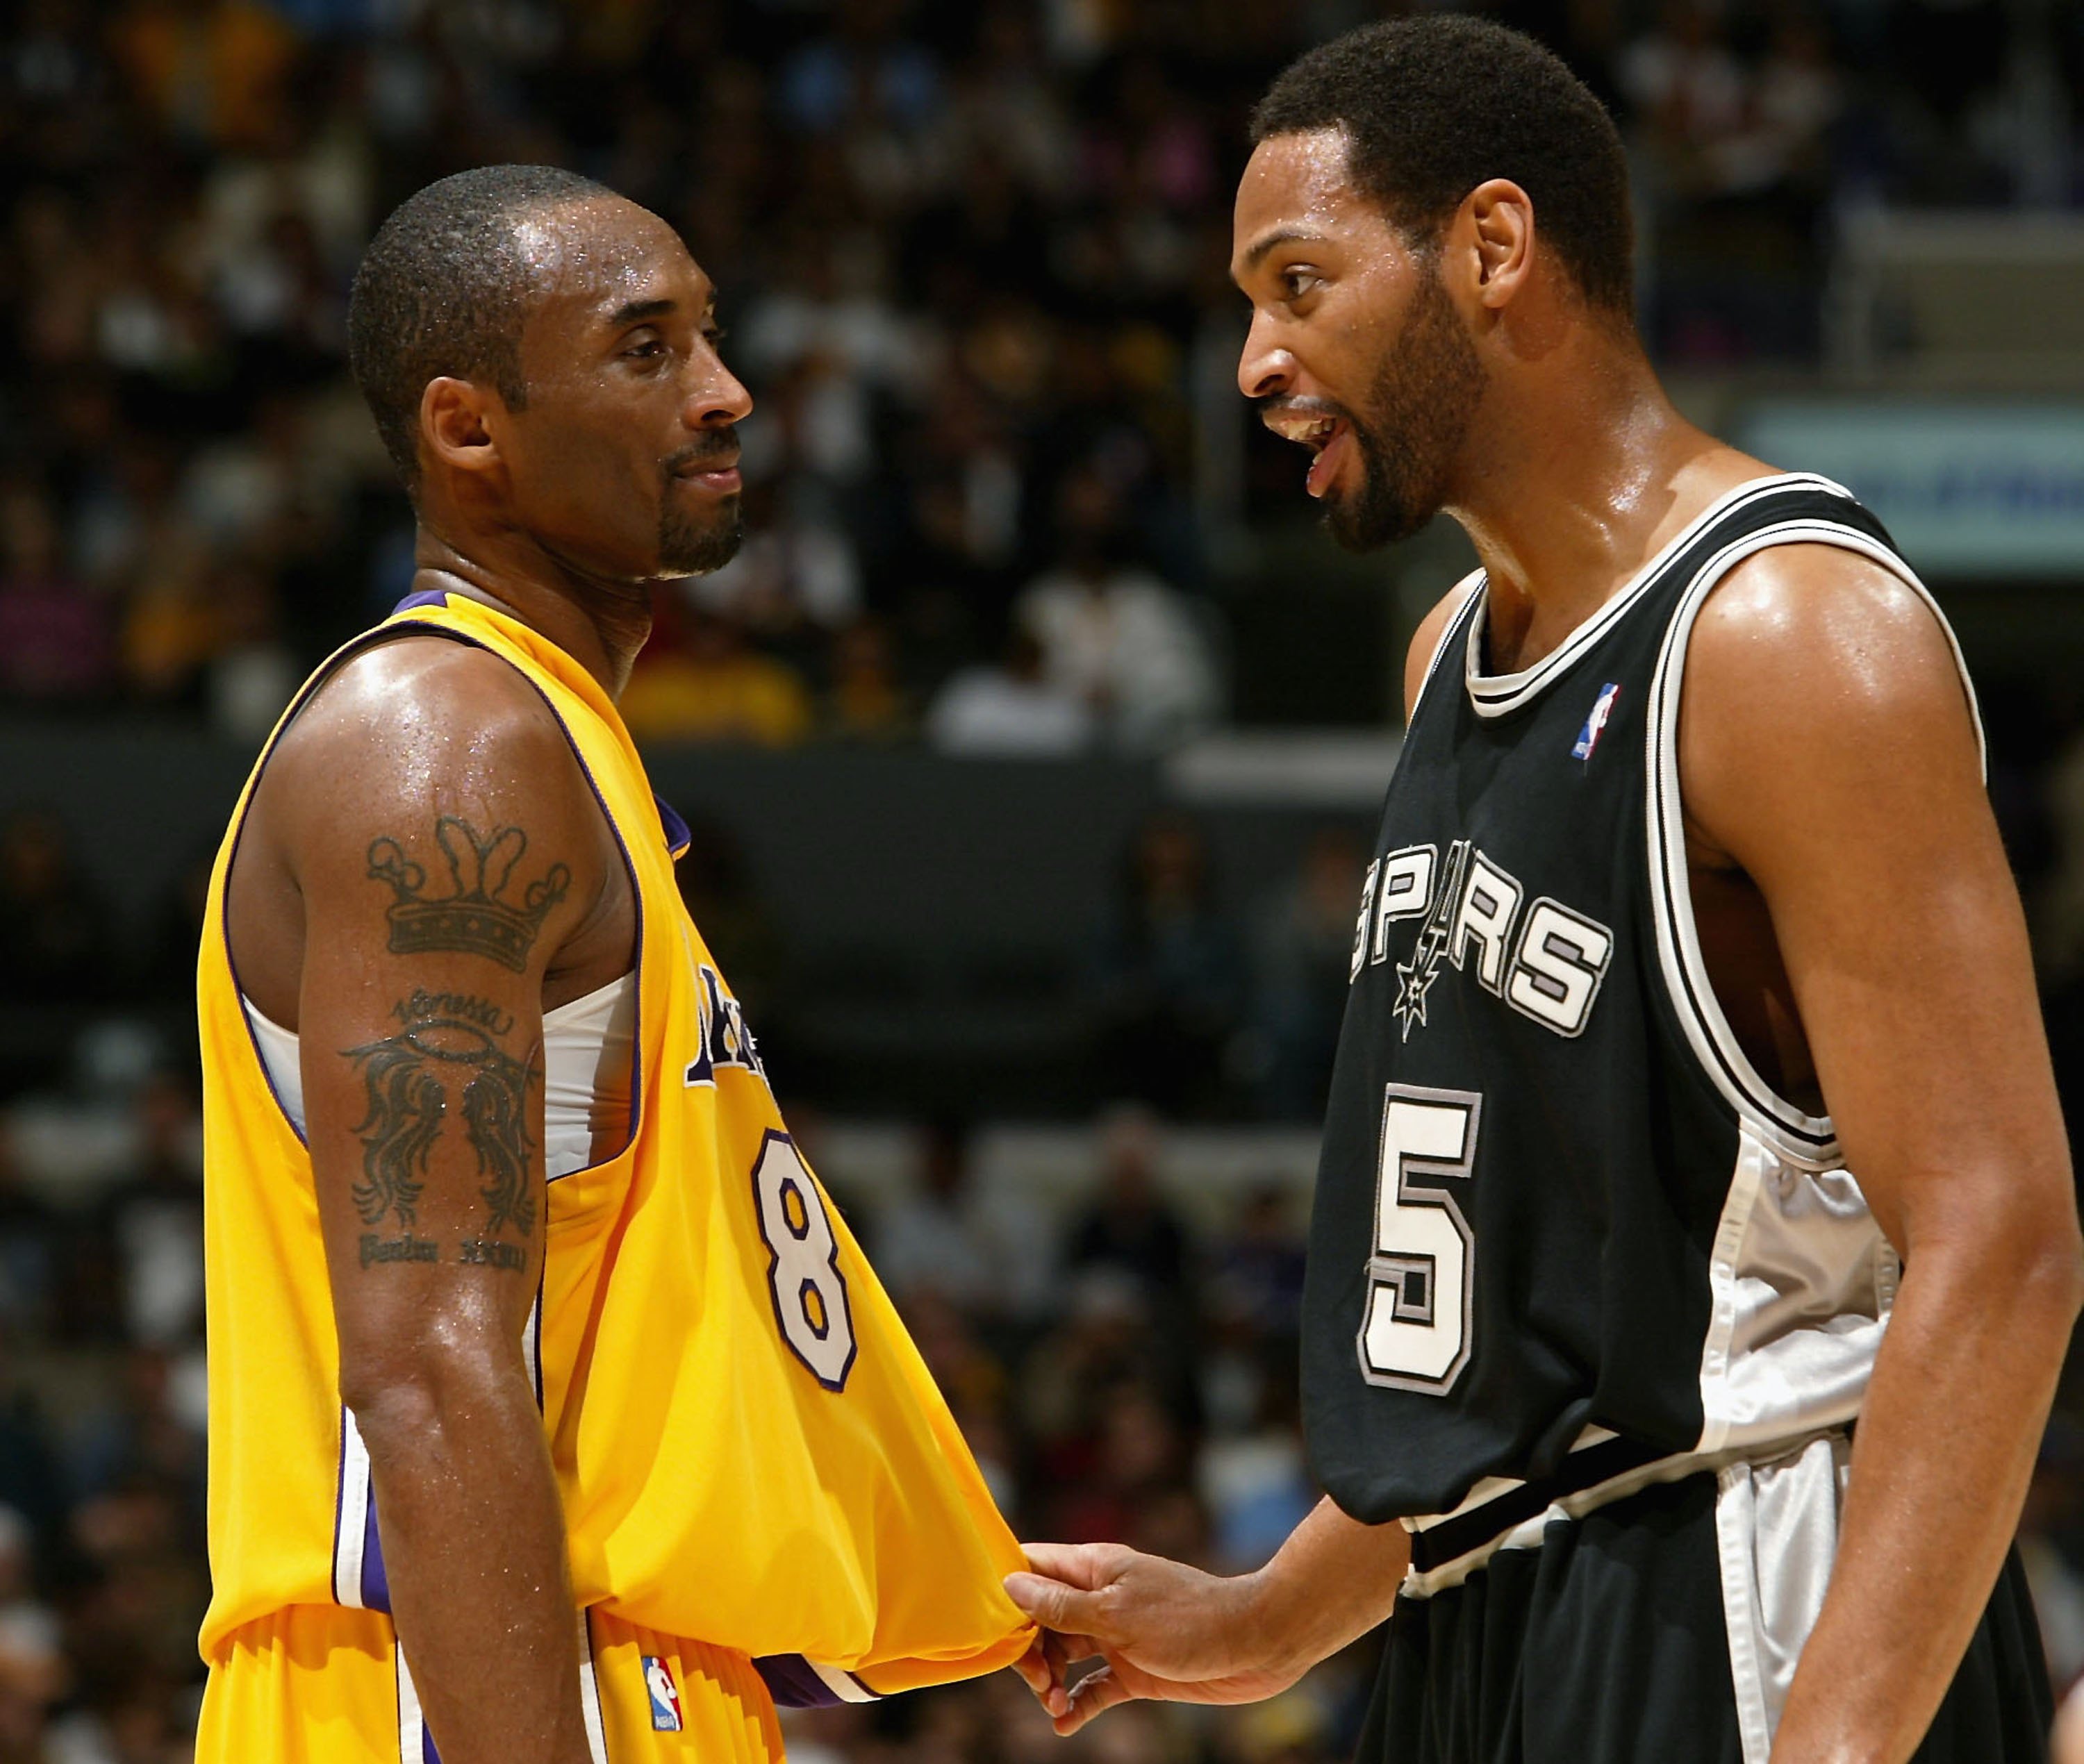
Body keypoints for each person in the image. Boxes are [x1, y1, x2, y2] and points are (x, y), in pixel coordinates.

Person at [1003, 19, 2078, 1764]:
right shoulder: (1446, 657)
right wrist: (1264, 1618)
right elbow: (1517, 1334)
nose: (1260, 363)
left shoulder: (1788, 634)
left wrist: (1838, 1741)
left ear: (1492, 249)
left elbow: (2005, 1238)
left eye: (1300, 284)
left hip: (1743, 1591)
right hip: (1478, 1626)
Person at [193, 166, 1031, 1764]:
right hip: (459, 1682)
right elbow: (432, 1371)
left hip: (603, 1663)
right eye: (647, 351)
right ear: (469, 429)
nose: (728, 395)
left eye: (709, 339)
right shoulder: (442, 745)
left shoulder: (555, 743)